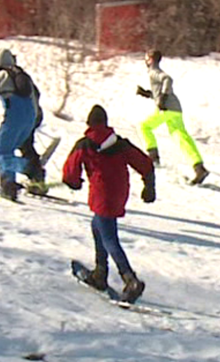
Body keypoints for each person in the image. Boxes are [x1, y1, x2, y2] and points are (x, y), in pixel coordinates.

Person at [62, 105, 157, 304]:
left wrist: (74, 182)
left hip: (101, 195)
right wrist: (149, 186)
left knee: (109, 237)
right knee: (97, 226)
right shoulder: (121, 144)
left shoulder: (85, 144)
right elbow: (145, 164)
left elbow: (70, 171)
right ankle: (100, 272)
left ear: (89, 124)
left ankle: (130, 279)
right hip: (119, 193)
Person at [0, 48, 45, 201]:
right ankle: (8, 185)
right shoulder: (24, 76)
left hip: (14, 117)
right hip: (30, 118)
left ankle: (29, 168)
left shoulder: (1, 76)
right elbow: (34, 98)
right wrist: (34, 121)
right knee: (9, 151)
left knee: (2, 153)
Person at [136, 49, 209, 185]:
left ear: (151, 59)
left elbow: (167, 79)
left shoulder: (153, 71)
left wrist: (162, 98)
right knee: (181, 137)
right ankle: (199, 167)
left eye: (146, 58)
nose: (145, 61)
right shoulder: (153, 72)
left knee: (144, 126)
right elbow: (160, 90)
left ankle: (153, 158)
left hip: (166, 108)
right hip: (175, 109)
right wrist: (147, 94)